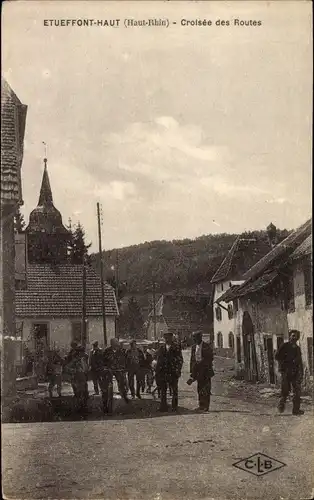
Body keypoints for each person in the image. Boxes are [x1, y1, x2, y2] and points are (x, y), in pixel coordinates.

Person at [275, 330, 304, 415]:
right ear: (290, 336)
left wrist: (300, 371)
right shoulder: (285, 346)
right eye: (292, 336)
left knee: (297, 391)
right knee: (285, 390)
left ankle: (296, 410)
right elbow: (277, 356)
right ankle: (281, 406)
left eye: (295, 336)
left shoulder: (298, 349)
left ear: (297, 338)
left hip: (294, 372)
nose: (294, 338)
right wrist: (284, 363)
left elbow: (299, 361)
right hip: (286, 371)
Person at [155, 332, 183, 412]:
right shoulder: (161, 348)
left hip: (173, 372)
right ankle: (163, 406)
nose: (167, 339)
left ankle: (174, 406)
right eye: (166, 338)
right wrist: (157, 371)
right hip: (164, 372)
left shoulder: (176, 347)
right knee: (163, 389)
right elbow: (159, 360)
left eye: (169, 338)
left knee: (174, 390)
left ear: (172, 338)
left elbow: (180, 360)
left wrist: (178, 370)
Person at [189, 331, 214, 412]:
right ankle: (201, 405)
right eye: (193, 337)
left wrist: (202, 363)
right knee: (199, 388)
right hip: (198, 371)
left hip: (206, 371)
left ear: (200, 337)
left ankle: (206, 406)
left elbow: (210, 358)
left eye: (195, 337)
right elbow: (192, 360)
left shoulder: (206, 346)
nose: (194, 339)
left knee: (206, 389)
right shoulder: (193, 347)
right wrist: (192, 371)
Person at [64, 344, 89, 417]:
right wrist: (75, 370)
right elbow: (66, 368)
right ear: (79, 353)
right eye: (82, 352)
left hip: (83, 379)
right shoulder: (75, 360)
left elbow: (86, 368)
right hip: (76, 379)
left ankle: (83, 409)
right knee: (78, 395)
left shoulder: (84, 359)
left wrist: (86, 370)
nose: (83, 353)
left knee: (85, 394)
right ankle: (79, 410)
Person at [103, 338, 129, 404]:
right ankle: (107, 399)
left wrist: (124, 368)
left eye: (116, 344)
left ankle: (124, 396)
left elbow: (124, 360)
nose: (116, 346)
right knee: (108, 384)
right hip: (109, 370)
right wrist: (105, 367)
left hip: (118, 369)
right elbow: (103, 360)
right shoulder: (107, 351)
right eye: (114, 344)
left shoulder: (121, 351)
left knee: (121, 383)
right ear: (111, 344)